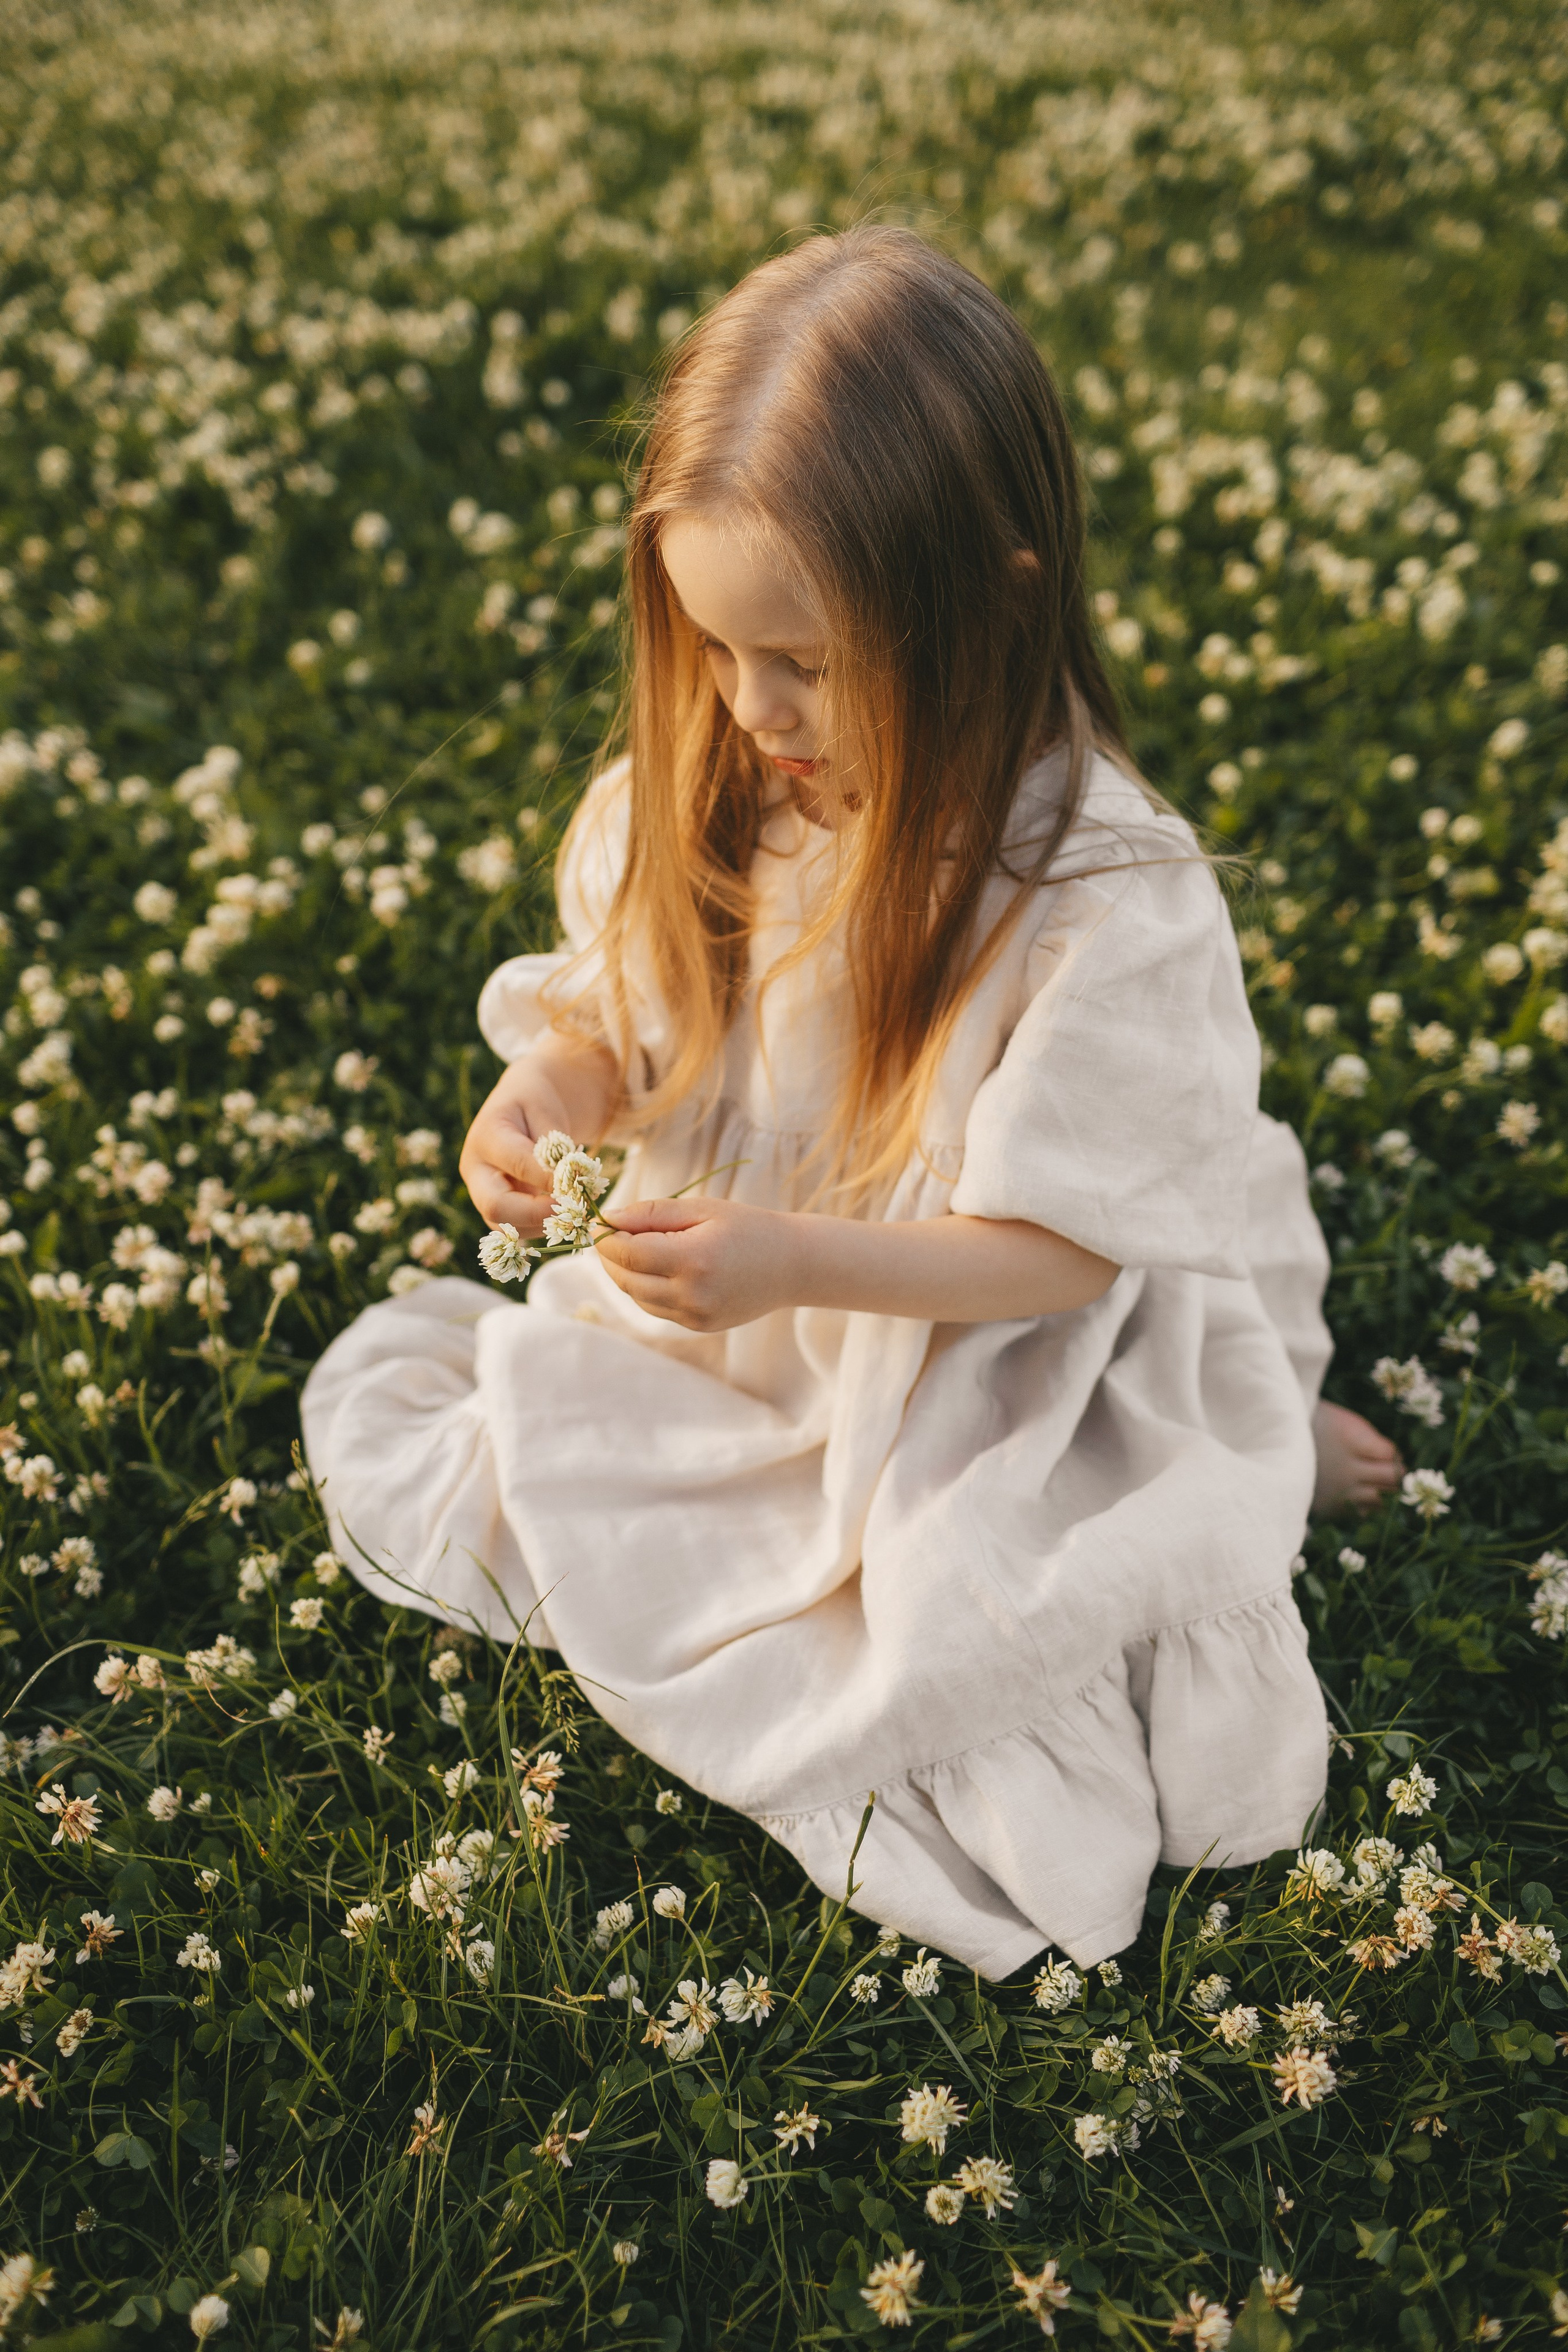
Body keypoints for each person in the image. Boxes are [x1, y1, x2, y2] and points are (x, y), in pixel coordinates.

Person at [301, 224, 1398, 1977]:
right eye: (716, 644)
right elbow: (629, 1014)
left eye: (806, 658)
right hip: (750, 1317)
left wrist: (795, 1260)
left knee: (1037, 1587)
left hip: (983, 1333)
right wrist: (548, 1090)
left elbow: (1063, 1255)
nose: (753, 705)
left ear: (997, 599)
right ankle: (1244, 1450)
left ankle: (1254, 1448)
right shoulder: (726, 783)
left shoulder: (1097, 901)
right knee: (556, 1457)